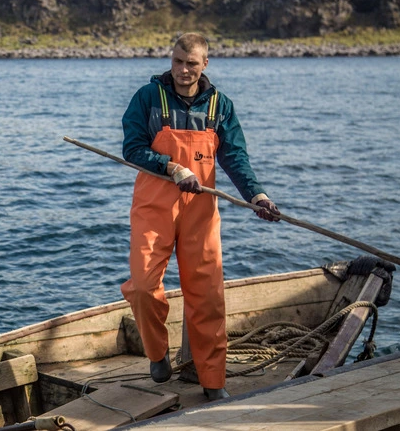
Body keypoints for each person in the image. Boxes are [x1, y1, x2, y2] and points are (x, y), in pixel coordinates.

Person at [120, 32, 280, 401]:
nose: (183, 70)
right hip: (153, 207)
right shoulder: (148, 97)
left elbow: (235, 158)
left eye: (191, 63)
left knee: (207, 298)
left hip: (201, 212)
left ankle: (212, 381)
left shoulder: (220, 105)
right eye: (178, 62)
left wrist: (257, 194)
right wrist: (172, 167)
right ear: (171, 60)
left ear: (205, 64)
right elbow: (132, 148)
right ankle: (157, 353)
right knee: (143, 287)